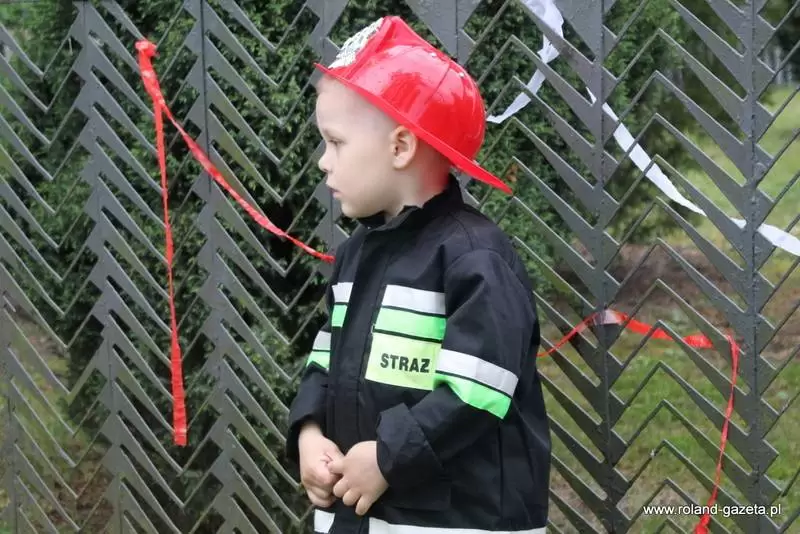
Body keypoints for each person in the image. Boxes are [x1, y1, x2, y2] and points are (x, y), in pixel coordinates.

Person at [286, 16, 551, 534]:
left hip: (460, 521)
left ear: (401, 147)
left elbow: (479, 391)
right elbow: (325, 361)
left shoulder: (474, 257)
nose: (323, 162)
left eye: (335, 142)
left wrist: (389, 457)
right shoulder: (356, 256)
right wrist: (309, 432)